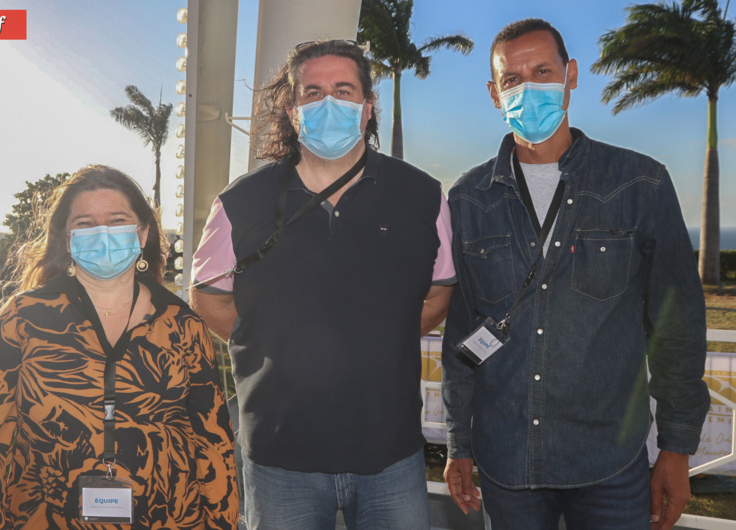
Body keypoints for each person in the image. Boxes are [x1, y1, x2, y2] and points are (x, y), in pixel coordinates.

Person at [441, 19, 709, 530]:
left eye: (542, 71)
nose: (528, 88)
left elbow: (677, 326)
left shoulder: (640, 183)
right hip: (506, 466)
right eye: (512, 79)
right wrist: (459, 442)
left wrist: (676, 447)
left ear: (571, 75)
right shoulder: (468, 199)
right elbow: (462, 336)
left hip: (610, 464)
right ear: (495, 95)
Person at [191, 39, 455, 529]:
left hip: (390, 452)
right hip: (278, 455)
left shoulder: (422, 196)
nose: (328, 103)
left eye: (343, 90)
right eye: (312, 93)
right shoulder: (241, 202)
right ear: (293, 111)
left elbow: (441, 291)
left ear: (368, 106)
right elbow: (209, 299)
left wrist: (387, 334)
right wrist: (273, 343)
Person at [0, 165, 238, 529]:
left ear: (143, 232)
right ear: (66, 238)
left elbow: (212, 442)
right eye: (86, 223)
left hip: (168, 518)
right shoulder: (21, 321)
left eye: (117, 220)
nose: (102, 233)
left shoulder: (182, 325)